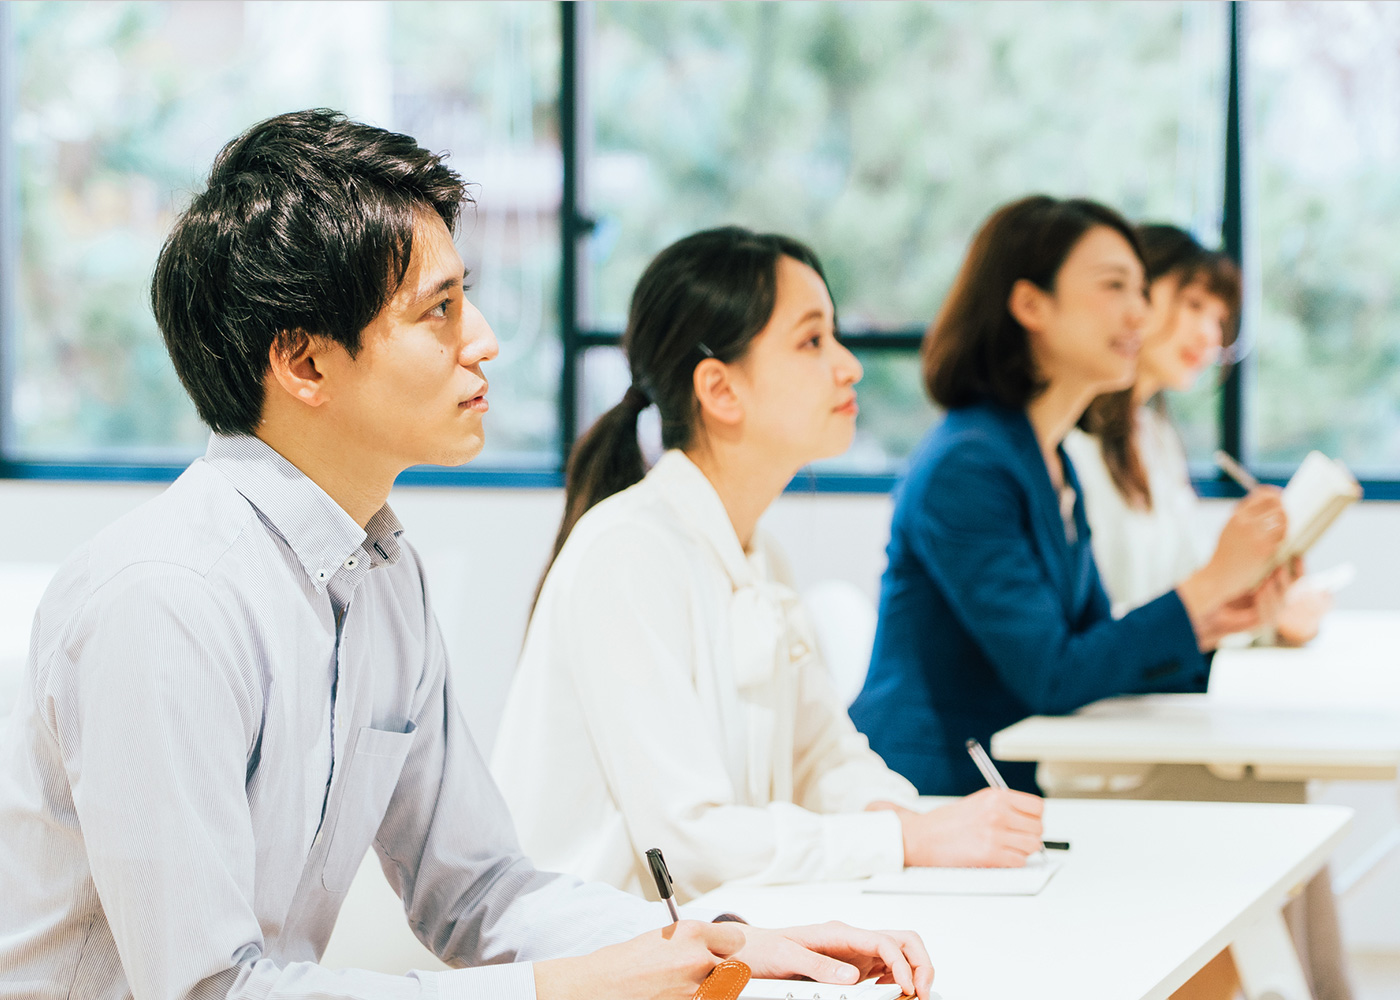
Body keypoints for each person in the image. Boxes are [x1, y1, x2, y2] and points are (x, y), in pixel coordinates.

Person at [0, 111, 935, 1000]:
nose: (482, 342)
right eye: (438, 312)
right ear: (305, 363)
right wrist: (557, 988)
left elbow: (481, 891)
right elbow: (210, 989)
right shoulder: (163, 601)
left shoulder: (381, 571)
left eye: (467, 301)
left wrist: (721, 943)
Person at [491, 227, 1044, 904]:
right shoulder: (628, 552)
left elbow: (825, 758)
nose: (850, 366)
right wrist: (905, 842)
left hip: (724, 935)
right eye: (813, 341)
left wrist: (914, 824)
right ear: (720, 390)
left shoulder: (757, 551)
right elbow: (688, 844)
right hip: (610, 965)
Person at [848, 195, 1296, 797]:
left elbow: (1093, 651)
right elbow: (1052, 674)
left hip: (1005, 790)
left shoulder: (1049, 455)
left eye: (1142, 291)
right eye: (1114, 286)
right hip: (929, 797)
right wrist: (1208, 585)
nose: (1140, 313)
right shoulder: (970, 464)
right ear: (1030, 303)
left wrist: (1212, 625)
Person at [1065, 223, 1329, 643]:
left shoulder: (1154, 438)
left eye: (1219, 320)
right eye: (1193, 305)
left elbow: (1186, 594)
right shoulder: (1068, 444)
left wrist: (1266, 615)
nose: (1210, 335)